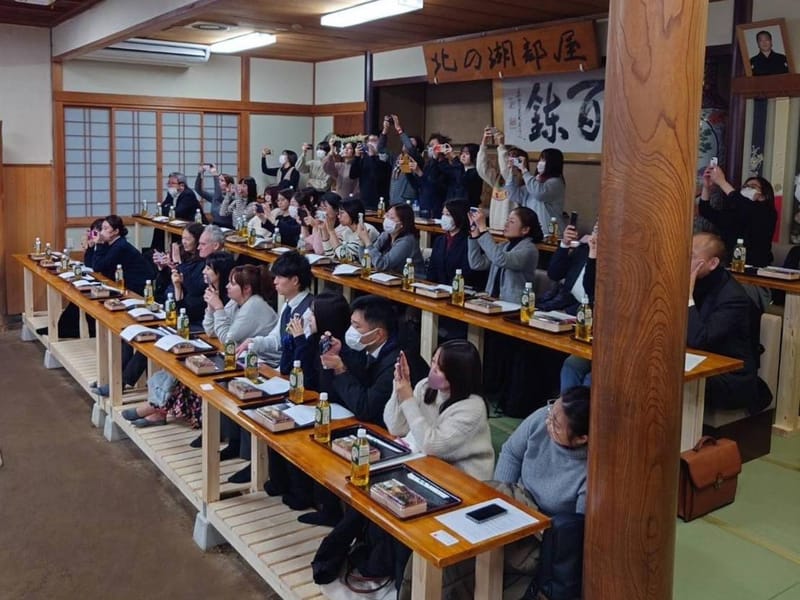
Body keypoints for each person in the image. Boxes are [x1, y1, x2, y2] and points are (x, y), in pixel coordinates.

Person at [385, 340, 494, 480]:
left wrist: (408, 399)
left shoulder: (473, 408)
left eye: (441, 368)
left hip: (463, 479)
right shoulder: (425, 387)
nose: (433, 370)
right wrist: (400, 385)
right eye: (433, 362)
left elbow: (431, 446)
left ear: (459, 374)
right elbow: (396, 428)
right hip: (427, 466)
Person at [688, 232, 767, 413]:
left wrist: (688, 298)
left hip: (731, 376)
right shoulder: (696, 283)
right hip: (699, 362)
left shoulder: (732, 297)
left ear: (713, 263)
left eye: (691, 256)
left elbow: (699, 339)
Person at [319, 295, 401, 426]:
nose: (351, 331)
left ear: (378, 334)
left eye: (357, 327)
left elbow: (365, 409)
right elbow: (331, 394)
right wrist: (333, 357)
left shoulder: (396, 365)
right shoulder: (359, 348)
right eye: (351, 324)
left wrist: (340, 369)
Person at [237, 250, 313, 370]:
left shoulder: (309, 312)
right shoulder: (287, 305)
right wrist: (253, 342)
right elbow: (277, 339)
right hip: (282, 366)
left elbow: (305, 353)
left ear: (295, 280)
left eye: (279, 277)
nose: (275, 281)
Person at [699, 165, 777, 268]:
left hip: (756, 268)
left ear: (764, 195)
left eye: (752, 187)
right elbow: (706, 211)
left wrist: (722, 182)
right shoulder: (736, 212)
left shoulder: (767, 212)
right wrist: (706, 187)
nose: (746, 189)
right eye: (745, 186)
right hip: (729, 266)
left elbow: (742, 204)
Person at [468, 206, 542, 302]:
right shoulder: (504, 245)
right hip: (491, 299)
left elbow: (501, 260)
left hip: (513, 304)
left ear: (525, 229)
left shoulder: (529, 250)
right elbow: (477, 264)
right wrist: (474, 232)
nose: (506, 224)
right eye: (507, 220)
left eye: (511, 222)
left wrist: (483, 228)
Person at [57, 218, 104, 338]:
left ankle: (84, 329)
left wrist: (93, 246)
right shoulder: (97, 246)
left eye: (95, 234)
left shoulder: (111, 247)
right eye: (92, 234)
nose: (93, 237)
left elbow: (96, 267)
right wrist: (89, 247)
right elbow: (90, 266)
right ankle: (65, 327)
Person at [538, 221, 598, 315]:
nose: (597, 225)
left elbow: (590, 290)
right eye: (597, 221)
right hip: (564, 303)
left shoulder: (616, 260)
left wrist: (593, 254)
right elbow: (554, 274)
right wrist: (565, 244)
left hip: (586, 312)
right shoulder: (583, 249)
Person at [84, 215, 152, 295]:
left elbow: (98, 267)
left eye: (106, 229)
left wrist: (99, 244)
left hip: (135, 287)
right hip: (119, 283)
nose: (101, 232)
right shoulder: (109, 243)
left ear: (116, 231)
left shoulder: (120, 246)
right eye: (102, 229)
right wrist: (91, 247)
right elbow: (90, 264)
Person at [358, 203, 424, 274]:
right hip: (390, 277)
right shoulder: (386, 234)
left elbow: (382, 265)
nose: (387, 219)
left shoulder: (407, 241)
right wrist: (362, 241)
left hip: (411, 280)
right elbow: (366, 262)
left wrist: (367, 241)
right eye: (387, 215)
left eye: (392, 218)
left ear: (402, 224)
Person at [520, 147, 566, 237]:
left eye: (544, 160)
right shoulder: (535, 181)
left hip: (550, 232)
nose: (540, 163)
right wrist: (511, 172)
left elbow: (539, 193)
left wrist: (525, 171)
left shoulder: (556, 182)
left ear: (552, 163)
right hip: (533, 230)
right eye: (540, 159)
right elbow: (516, 195)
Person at [152, 172, 204, 251]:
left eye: (172, 183)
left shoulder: (188, 194)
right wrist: (170, 208)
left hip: (193, 225)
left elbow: (177, 212)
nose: (170, 185)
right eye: (168, 183)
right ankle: (155, 252)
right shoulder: (172, 193)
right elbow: (162, 208)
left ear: (182, 185)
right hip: (179, 223)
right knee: (159, 229)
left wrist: (169, 207)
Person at [321, 196, 379, 263]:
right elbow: (331, 256)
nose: (338, 216)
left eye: (342, 213)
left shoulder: (366, 230)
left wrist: (331, 231)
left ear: (352, 212)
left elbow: (345, 258)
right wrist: (324, 230)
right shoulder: (346, 232)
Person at [349, 133, 391, 210]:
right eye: (369, 141)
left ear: (380, 143)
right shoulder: (364, 158)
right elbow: (352, 175)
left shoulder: (385, 158)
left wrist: (373, 156)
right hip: (364, 201)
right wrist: (357, 157)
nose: (370, 143)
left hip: (379, 202)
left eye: (374, 140)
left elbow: (378, 177)